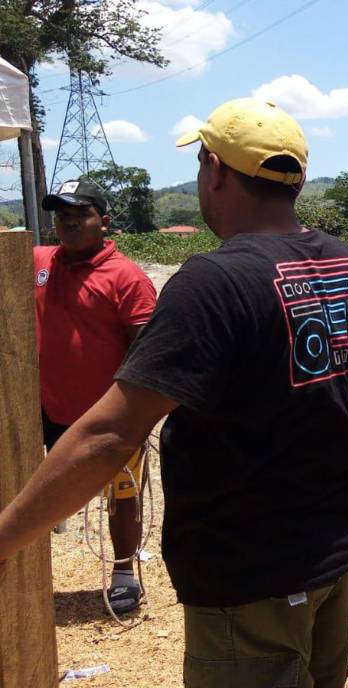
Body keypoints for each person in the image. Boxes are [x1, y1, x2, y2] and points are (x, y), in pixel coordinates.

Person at [0, 98, 348, 688]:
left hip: (250, 573)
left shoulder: (213, 283)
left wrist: (4, 539)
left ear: (213, 168)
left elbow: (111, 434)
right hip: (336, 552)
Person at [35, 178, 157, 614]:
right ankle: (26, 578)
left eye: (80, 214)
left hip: (108, 414)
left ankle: (124, 572)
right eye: (61, 214)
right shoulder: (37, 261)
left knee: (122, 495)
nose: (68, 222)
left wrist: (137, 413)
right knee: (39, 494)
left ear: (103, 222)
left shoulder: (126, 278)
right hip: (46, 407)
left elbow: (148, 349)